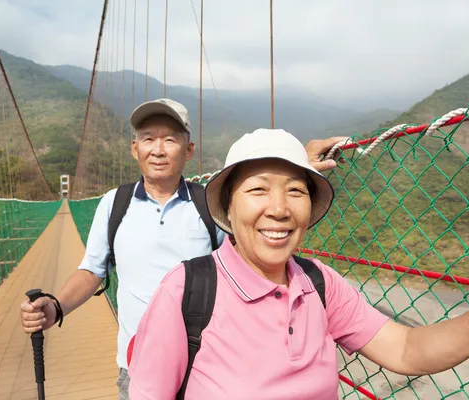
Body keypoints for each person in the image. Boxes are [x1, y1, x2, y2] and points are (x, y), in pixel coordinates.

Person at [127, 127, 469, 399]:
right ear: (228, 206)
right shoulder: (188, 291)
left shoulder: (318, 283)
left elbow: (407, 349)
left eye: (295, 191)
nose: (279, 209)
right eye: (258, 189)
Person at [19, 98, 346, 399]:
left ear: (189, 150)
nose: (158, 150)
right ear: (134, 149)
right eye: (148, 139)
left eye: (170, 139)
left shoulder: (211, 205)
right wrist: (57, 306)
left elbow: (252, 255)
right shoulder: (113, 204)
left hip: (214, 364)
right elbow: (92, 270)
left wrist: (295, 164)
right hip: (138, 363)